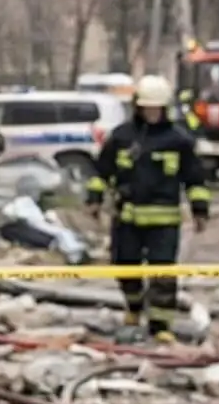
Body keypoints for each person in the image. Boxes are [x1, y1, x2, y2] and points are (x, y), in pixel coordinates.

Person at [84, 74, 209, 343]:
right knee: (124, 265)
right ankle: (134, 306)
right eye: (147, 107)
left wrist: (200, 209)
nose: (152, 113)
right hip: (126, 217)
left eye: (157, 108)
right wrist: (94, 198)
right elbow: (101, 170)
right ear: (138, 106)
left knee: (163, 272)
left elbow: (195, 178)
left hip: (164, 220)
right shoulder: (122, 137)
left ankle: (160, 324)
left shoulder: (179, 140)